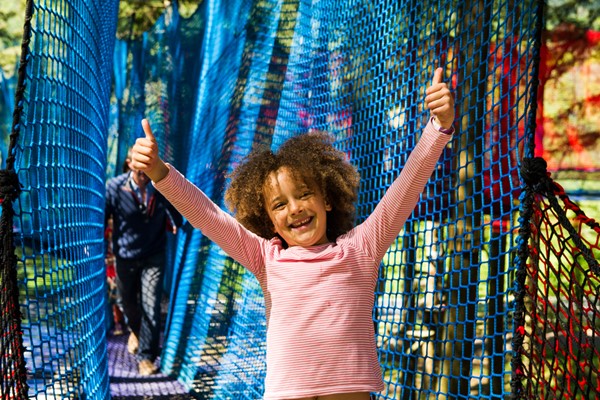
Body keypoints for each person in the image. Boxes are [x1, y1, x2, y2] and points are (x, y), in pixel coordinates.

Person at [130, 67, 454, 399]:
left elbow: (405, 189)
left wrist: (437, 128)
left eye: (303, 194)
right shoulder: (265, 257)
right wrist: (159, 171)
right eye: (280, 204)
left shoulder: (361, 249)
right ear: (269, 220)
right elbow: (208, 216)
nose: (295, 208)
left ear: (326, 199)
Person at [105, 147, 183, 376]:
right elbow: (103, 217)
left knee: (151, 303)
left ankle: (147, 357)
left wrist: (178, 223)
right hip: (125, 255)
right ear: (130, 164)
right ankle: (136, 331)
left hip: (154, 254)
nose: (145, 173)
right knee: (126, 302)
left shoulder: (159, 186)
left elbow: (175, 209)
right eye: (141, 166)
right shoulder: (115, 187)